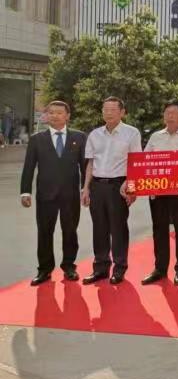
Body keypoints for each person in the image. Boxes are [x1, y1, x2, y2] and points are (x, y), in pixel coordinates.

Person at [20, 101, 87, 286]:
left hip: (70, 195)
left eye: (59, 112)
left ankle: (69, 266)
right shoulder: (37, 139)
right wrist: (25, 191)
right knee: (44, 232)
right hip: (45, 195)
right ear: (46, 116)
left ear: (67, 116)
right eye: (51, 113)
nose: (55, 116)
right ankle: (44, 269)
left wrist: (85, 189)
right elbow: (29, 167)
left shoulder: (79, 137)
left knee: (70, 231)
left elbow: (84, 166)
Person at [139, 100, 178, 286]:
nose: (169, 116)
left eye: (173, 113)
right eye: (167, 113)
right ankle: (159, 269)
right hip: (157, 190)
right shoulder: (155, 137)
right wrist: (146, 186)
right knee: (159, 229)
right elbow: (144, 162)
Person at [82, 97, 142, 285]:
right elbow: (90, 163)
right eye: (105, 109)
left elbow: (136, 162)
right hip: (97, 186)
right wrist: (86, 188)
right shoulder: (94, 135)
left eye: (112, 110)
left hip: (119, 186)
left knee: (118, 229)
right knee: (99, 228)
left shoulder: (131, 133)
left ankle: (119, 268)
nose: (108, 113)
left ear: (122, 112)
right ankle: (100, 268)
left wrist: (131, 185)